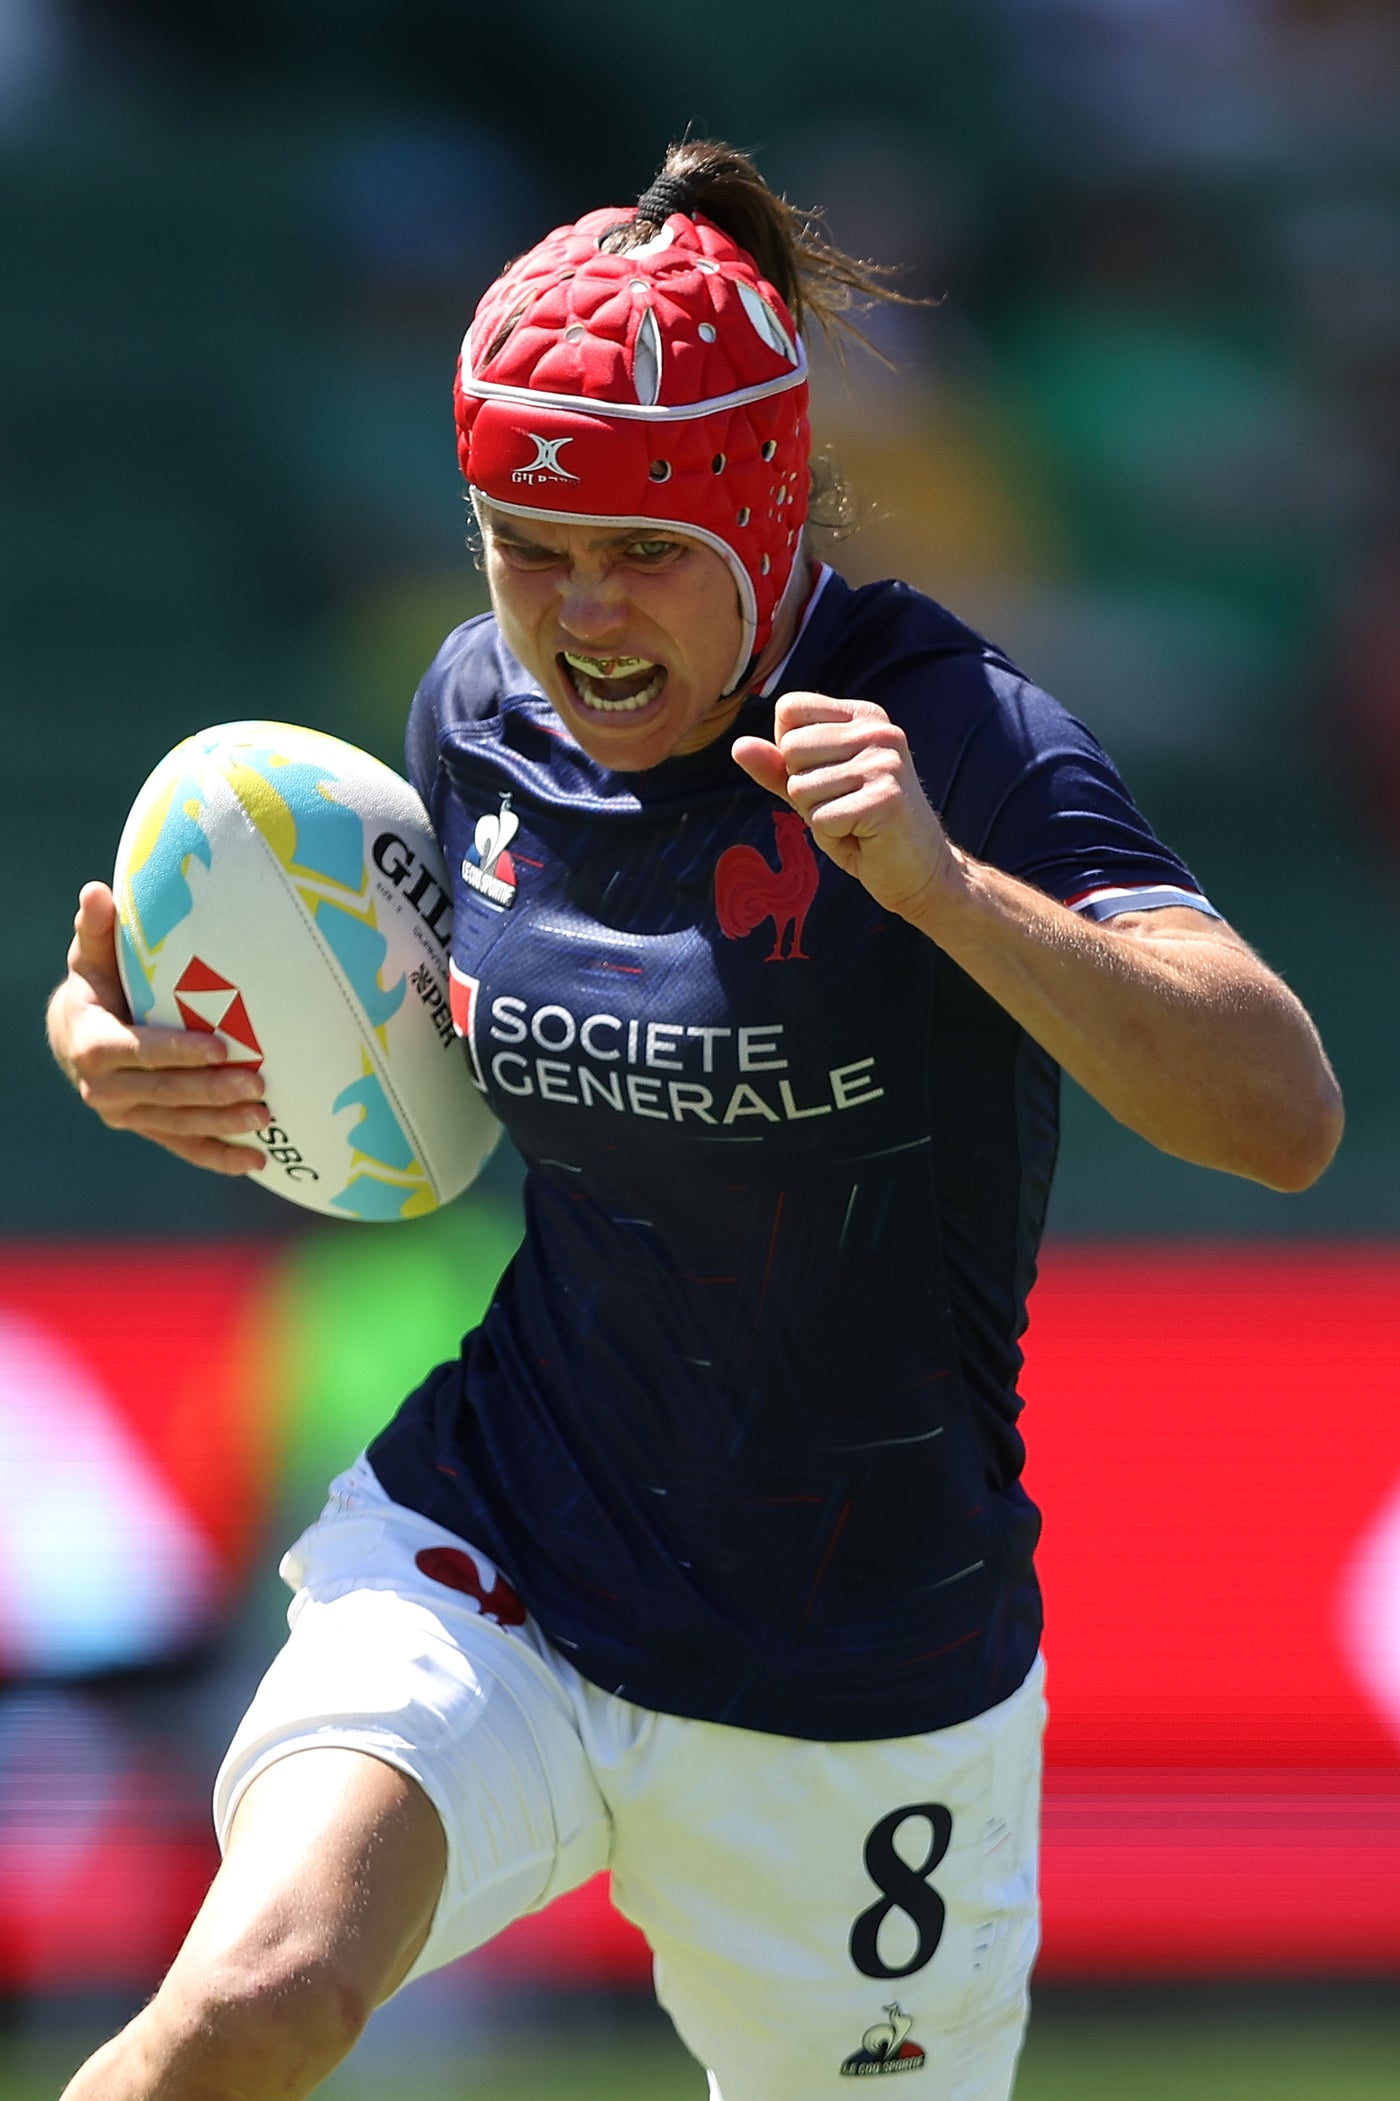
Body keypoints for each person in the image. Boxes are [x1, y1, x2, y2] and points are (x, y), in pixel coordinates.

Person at [46, 141, 1343, 2101]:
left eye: (639, 550)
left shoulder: (954, 731)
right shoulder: (474, 717)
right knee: (262, 1989)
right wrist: (123, 1039)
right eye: (524, 543)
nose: (577, 612)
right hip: (504, 1543)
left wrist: (947, 891)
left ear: (755, 509)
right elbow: (364, 1047)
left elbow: (1283, 1112)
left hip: (865, 1688)